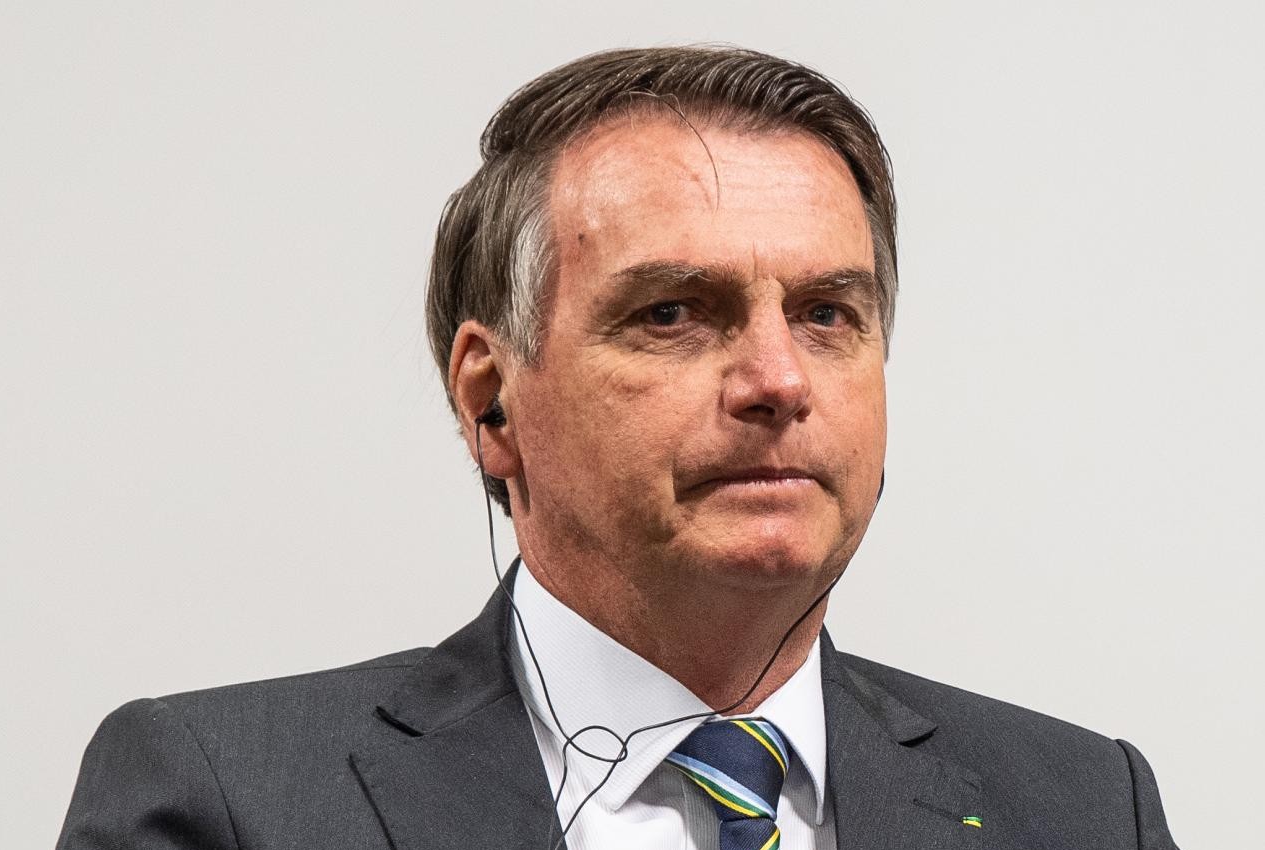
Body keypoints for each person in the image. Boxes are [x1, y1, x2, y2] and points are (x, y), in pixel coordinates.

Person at [58, 46, 1180, 850]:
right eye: (673, 313)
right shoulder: (230, 799)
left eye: (828, 314)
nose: (779, 380)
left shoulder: (1085, 808)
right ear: (492, 401)